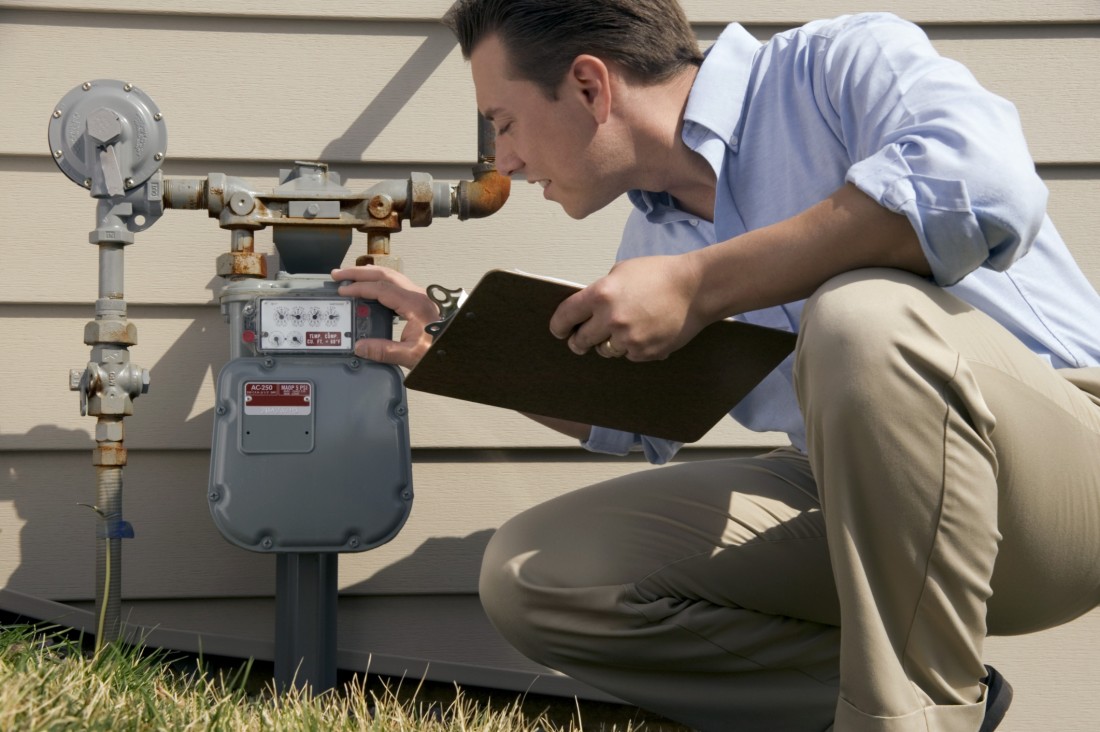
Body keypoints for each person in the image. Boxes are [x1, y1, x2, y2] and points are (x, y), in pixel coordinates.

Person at [333, 1, 1100, 730]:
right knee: (536, 577)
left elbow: (985, 187)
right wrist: (459, 351)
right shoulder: (652, 244)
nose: (504, 158)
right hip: (861, 506)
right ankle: (914, 701)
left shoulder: (837, 66)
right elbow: (626, 416)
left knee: (861, 314)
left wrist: (700, 287)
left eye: (501, 123)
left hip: (1061, 471)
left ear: (590, 86)